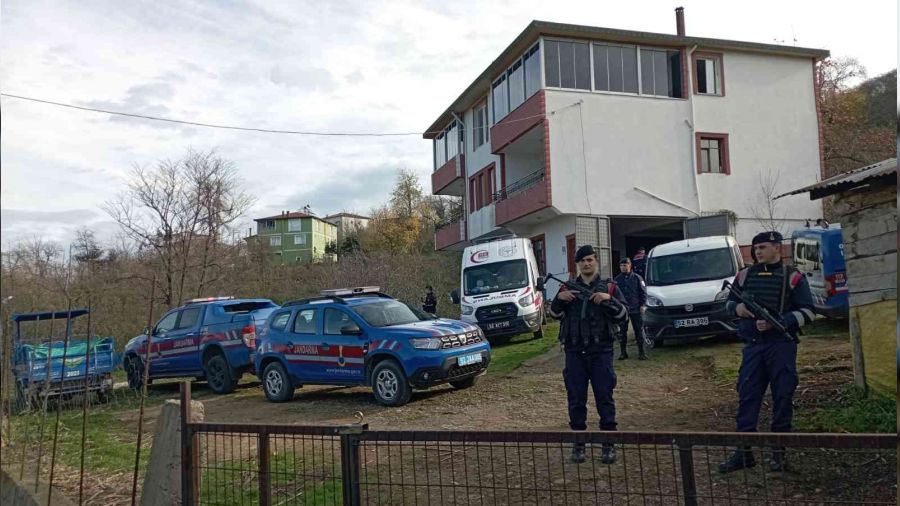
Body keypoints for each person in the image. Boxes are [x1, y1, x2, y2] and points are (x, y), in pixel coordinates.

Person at [717, 231, 816, 474]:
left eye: (763, 247)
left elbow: (810, 312)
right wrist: (738, 308)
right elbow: (727, 304)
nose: (758, 252)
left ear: (777, 248)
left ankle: (778, 453)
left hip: (781, 345)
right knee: (747, 396)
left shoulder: (793, 277)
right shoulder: (744, 275)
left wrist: (780, 321)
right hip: (753, 346)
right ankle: (744, 452)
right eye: (756, 248)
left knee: (782, 397)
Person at [550, 245, 629, 464]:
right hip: (574, 352)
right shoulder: (567, 287)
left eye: (590, 260)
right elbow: (554, 314)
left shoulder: (611, 287)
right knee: (576, 399)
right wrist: (560, 299)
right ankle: (578, 444)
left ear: (596, 261)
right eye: (582, 260)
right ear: (577, 264)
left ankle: (608, 445)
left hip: (601, 351)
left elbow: (623, 315)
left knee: (605, 398)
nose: (586, 264)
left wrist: (607, 300)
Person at [614, 258, 648, 360]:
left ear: (630, 266)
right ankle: (623, 353)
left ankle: (641, 352)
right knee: (622, 332)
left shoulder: (637, 278)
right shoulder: (617, 280)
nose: (623, 267)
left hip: (636, 308)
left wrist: (643, 305)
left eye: (625, 265)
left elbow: (643, 292)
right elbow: (614, 295)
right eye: (621, 266)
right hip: (623, 309)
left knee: (638, 330)